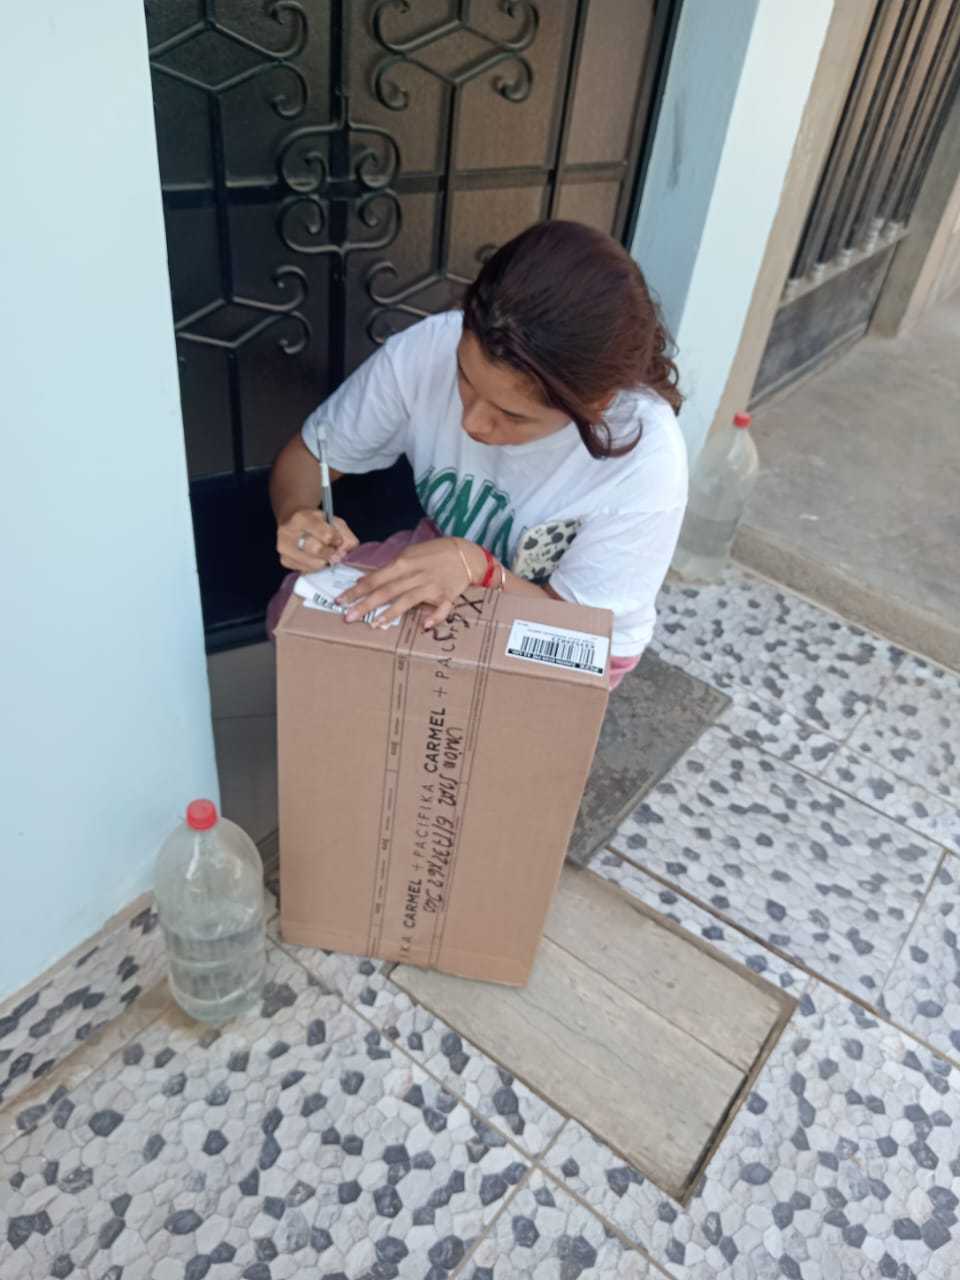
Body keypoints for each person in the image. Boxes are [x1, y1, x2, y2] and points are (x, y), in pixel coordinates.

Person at [267, 219, 687, 688]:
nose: (472, 423)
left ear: (596, 405)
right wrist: (297, 515)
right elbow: (307, 458)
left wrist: (481, 570)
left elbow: (577, 635)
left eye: (512, 415)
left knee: (456, 707)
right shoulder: (428, 349)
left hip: (573, 629)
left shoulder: (645, 457)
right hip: (446, 554)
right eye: (464, 378)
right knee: (302, 618)